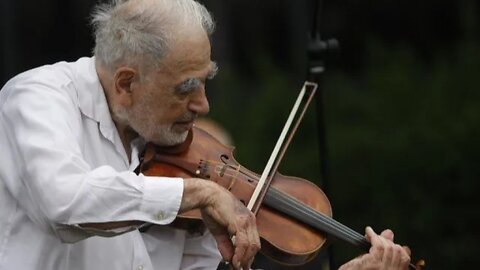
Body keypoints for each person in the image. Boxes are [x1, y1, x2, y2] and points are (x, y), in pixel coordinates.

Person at [0, 0, 410, 269]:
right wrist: (202, 194)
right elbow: (63, 202)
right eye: (186, 88)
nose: (203, 105)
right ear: (126, 84)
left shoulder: (156, 150)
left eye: (204, 82)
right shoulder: (37, 98)